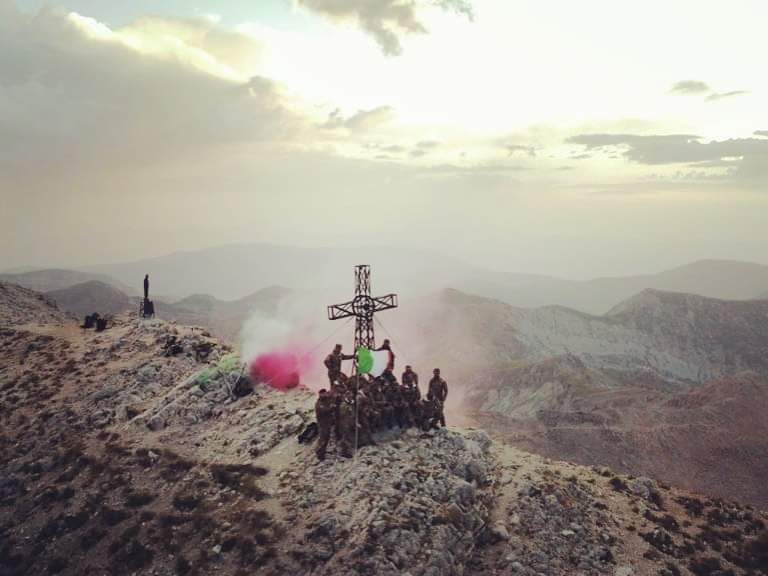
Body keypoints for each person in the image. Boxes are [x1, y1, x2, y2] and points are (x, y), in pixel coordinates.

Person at [314, 389, 336, 461]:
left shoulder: (326, 399)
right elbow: (325, 410)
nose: (325, 395)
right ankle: (320, 453)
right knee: (323, 438)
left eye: (325, 393)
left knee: (327, 437)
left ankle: (322, 451)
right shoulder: (319, 403)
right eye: (323, 394)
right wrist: (332, 407)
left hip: (327, 422)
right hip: (322, 424)